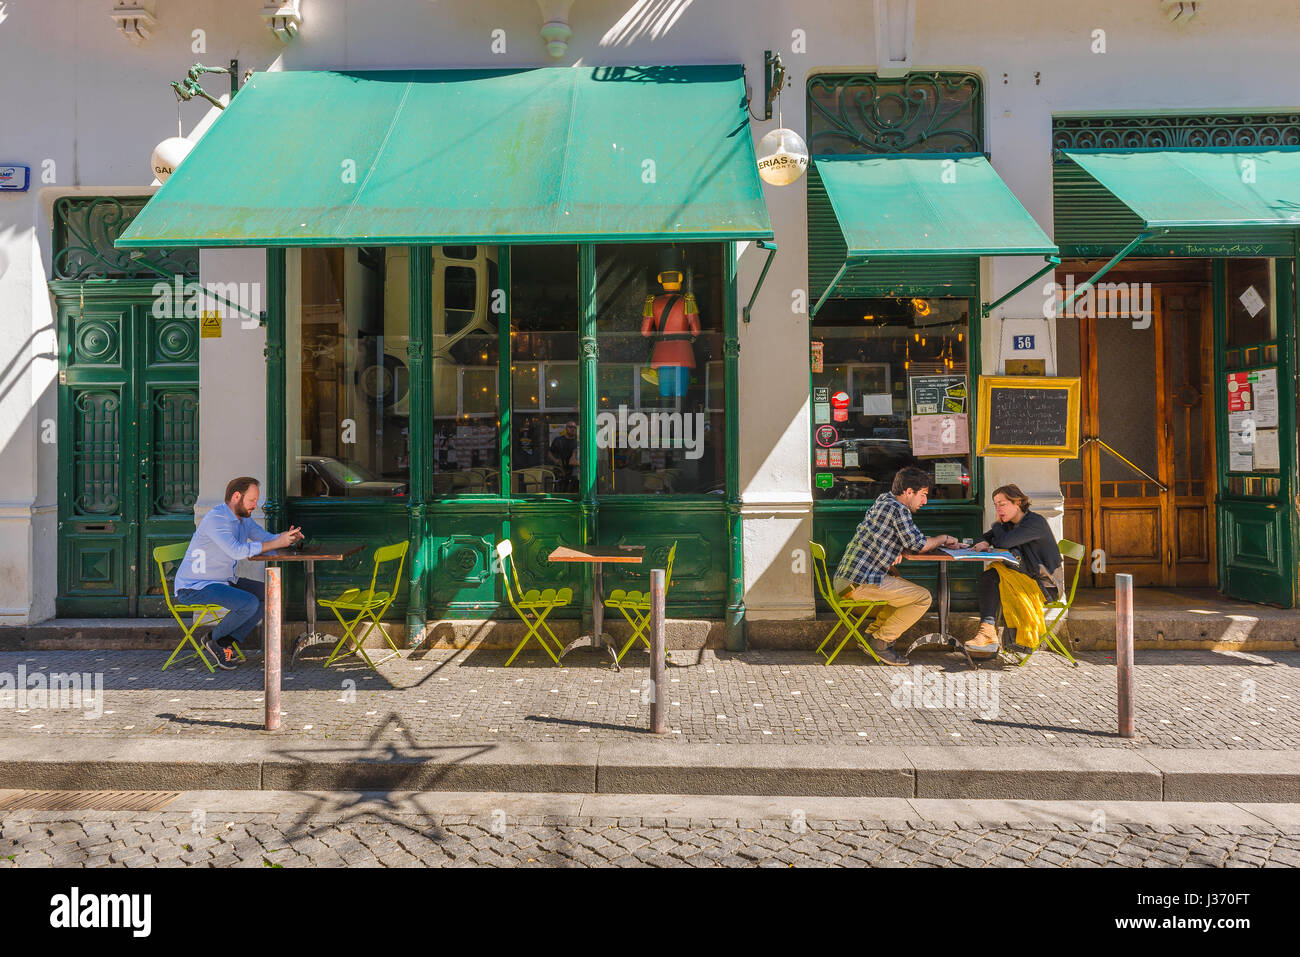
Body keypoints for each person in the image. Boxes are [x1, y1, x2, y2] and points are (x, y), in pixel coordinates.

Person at [832, 466, 958, 666]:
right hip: (855, 586)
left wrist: (896, 550)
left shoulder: (884, 500)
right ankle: (881, 642)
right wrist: (944, 538)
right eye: (923, 495)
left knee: (901, 591)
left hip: (845, 583)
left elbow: (892, 537)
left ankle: (873, 636)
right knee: (922, 598)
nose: (925, 501)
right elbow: (918, 544)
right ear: (909, 492)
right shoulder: (898, 509)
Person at [174, 476, 303, 670]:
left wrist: (287, 538)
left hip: (223, 580)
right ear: (236, 496)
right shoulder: (216, 519)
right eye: (252, 500)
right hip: (194, 586)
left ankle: (221, 642)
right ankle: (215, 641)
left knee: (270, 593)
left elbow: (267, 539)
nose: (255, 505)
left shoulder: (243, 520)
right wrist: (277, 542)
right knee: (249, 603)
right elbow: (236, 551)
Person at [965, 484, 1063, 654]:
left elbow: (1003, 542)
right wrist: (985, 541)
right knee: (993, 575)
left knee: (993, 577)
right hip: (1026, 576)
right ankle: (987, 636)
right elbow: (988, 537)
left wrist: (996, 522)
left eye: (1001, 504)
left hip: (1045, 586)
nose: (998, 509)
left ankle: (987, 634)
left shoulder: (1035, 523)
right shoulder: (1010, 524)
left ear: (1017, 502)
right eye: (995, 505)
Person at [549, 421, 579, 491]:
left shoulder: (576, 442)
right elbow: (549, 453)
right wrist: (555, 460)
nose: (572, 429)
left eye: (574, 427)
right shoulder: (558, 440)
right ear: (566, 428)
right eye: (570, 427)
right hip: (560, 470)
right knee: (559, 490)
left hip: (573, 470)